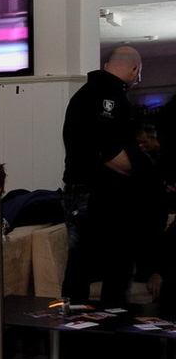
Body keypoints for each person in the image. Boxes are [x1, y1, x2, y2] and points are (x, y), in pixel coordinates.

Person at [60, 46, 147, 304]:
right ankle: (109, 322)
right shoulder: (108, 95)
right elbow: (108, 152)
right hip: (96, 195)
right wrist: (144, 174)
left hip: (81, 193)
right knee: (114, 266)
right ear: (135, 70)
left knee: (81, 267)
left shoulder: (86, 92)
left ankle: (73, 322)